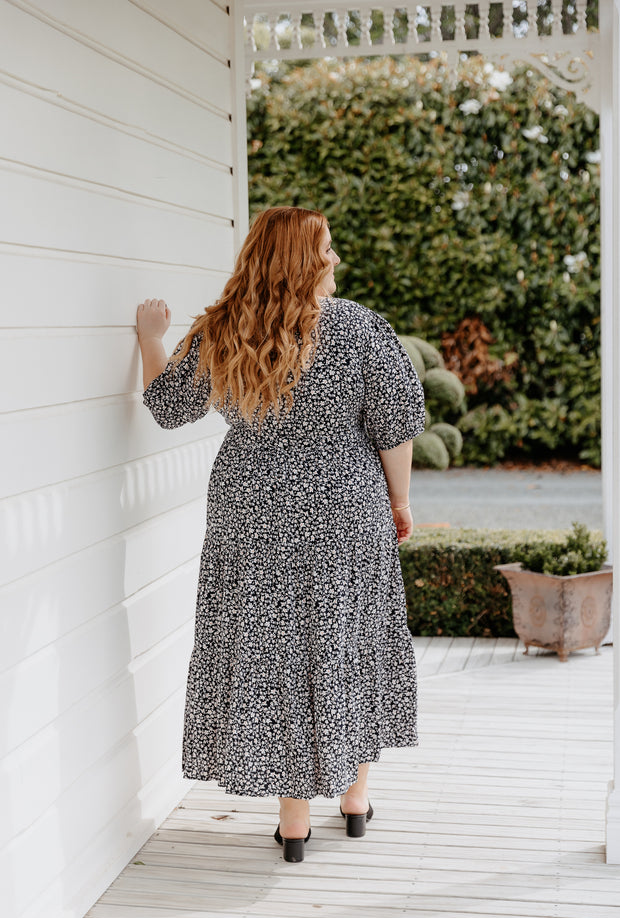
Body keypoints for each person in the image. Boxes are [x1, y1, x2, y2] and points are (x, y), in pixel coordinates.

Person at [136, 206, 425, 863]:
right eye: (328, 249)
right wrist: (400, 500)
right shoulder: (360, 326)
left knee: (273, 652)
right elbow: (396, 425)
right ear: (309, 258)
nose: (337, 260)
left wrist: (152, 339)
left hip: (252, 512)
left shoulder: (225, 328)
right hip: (345, 506)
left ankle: (293, 823)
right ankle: (354, 799)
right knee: (348, 638)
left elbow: (167, 407)